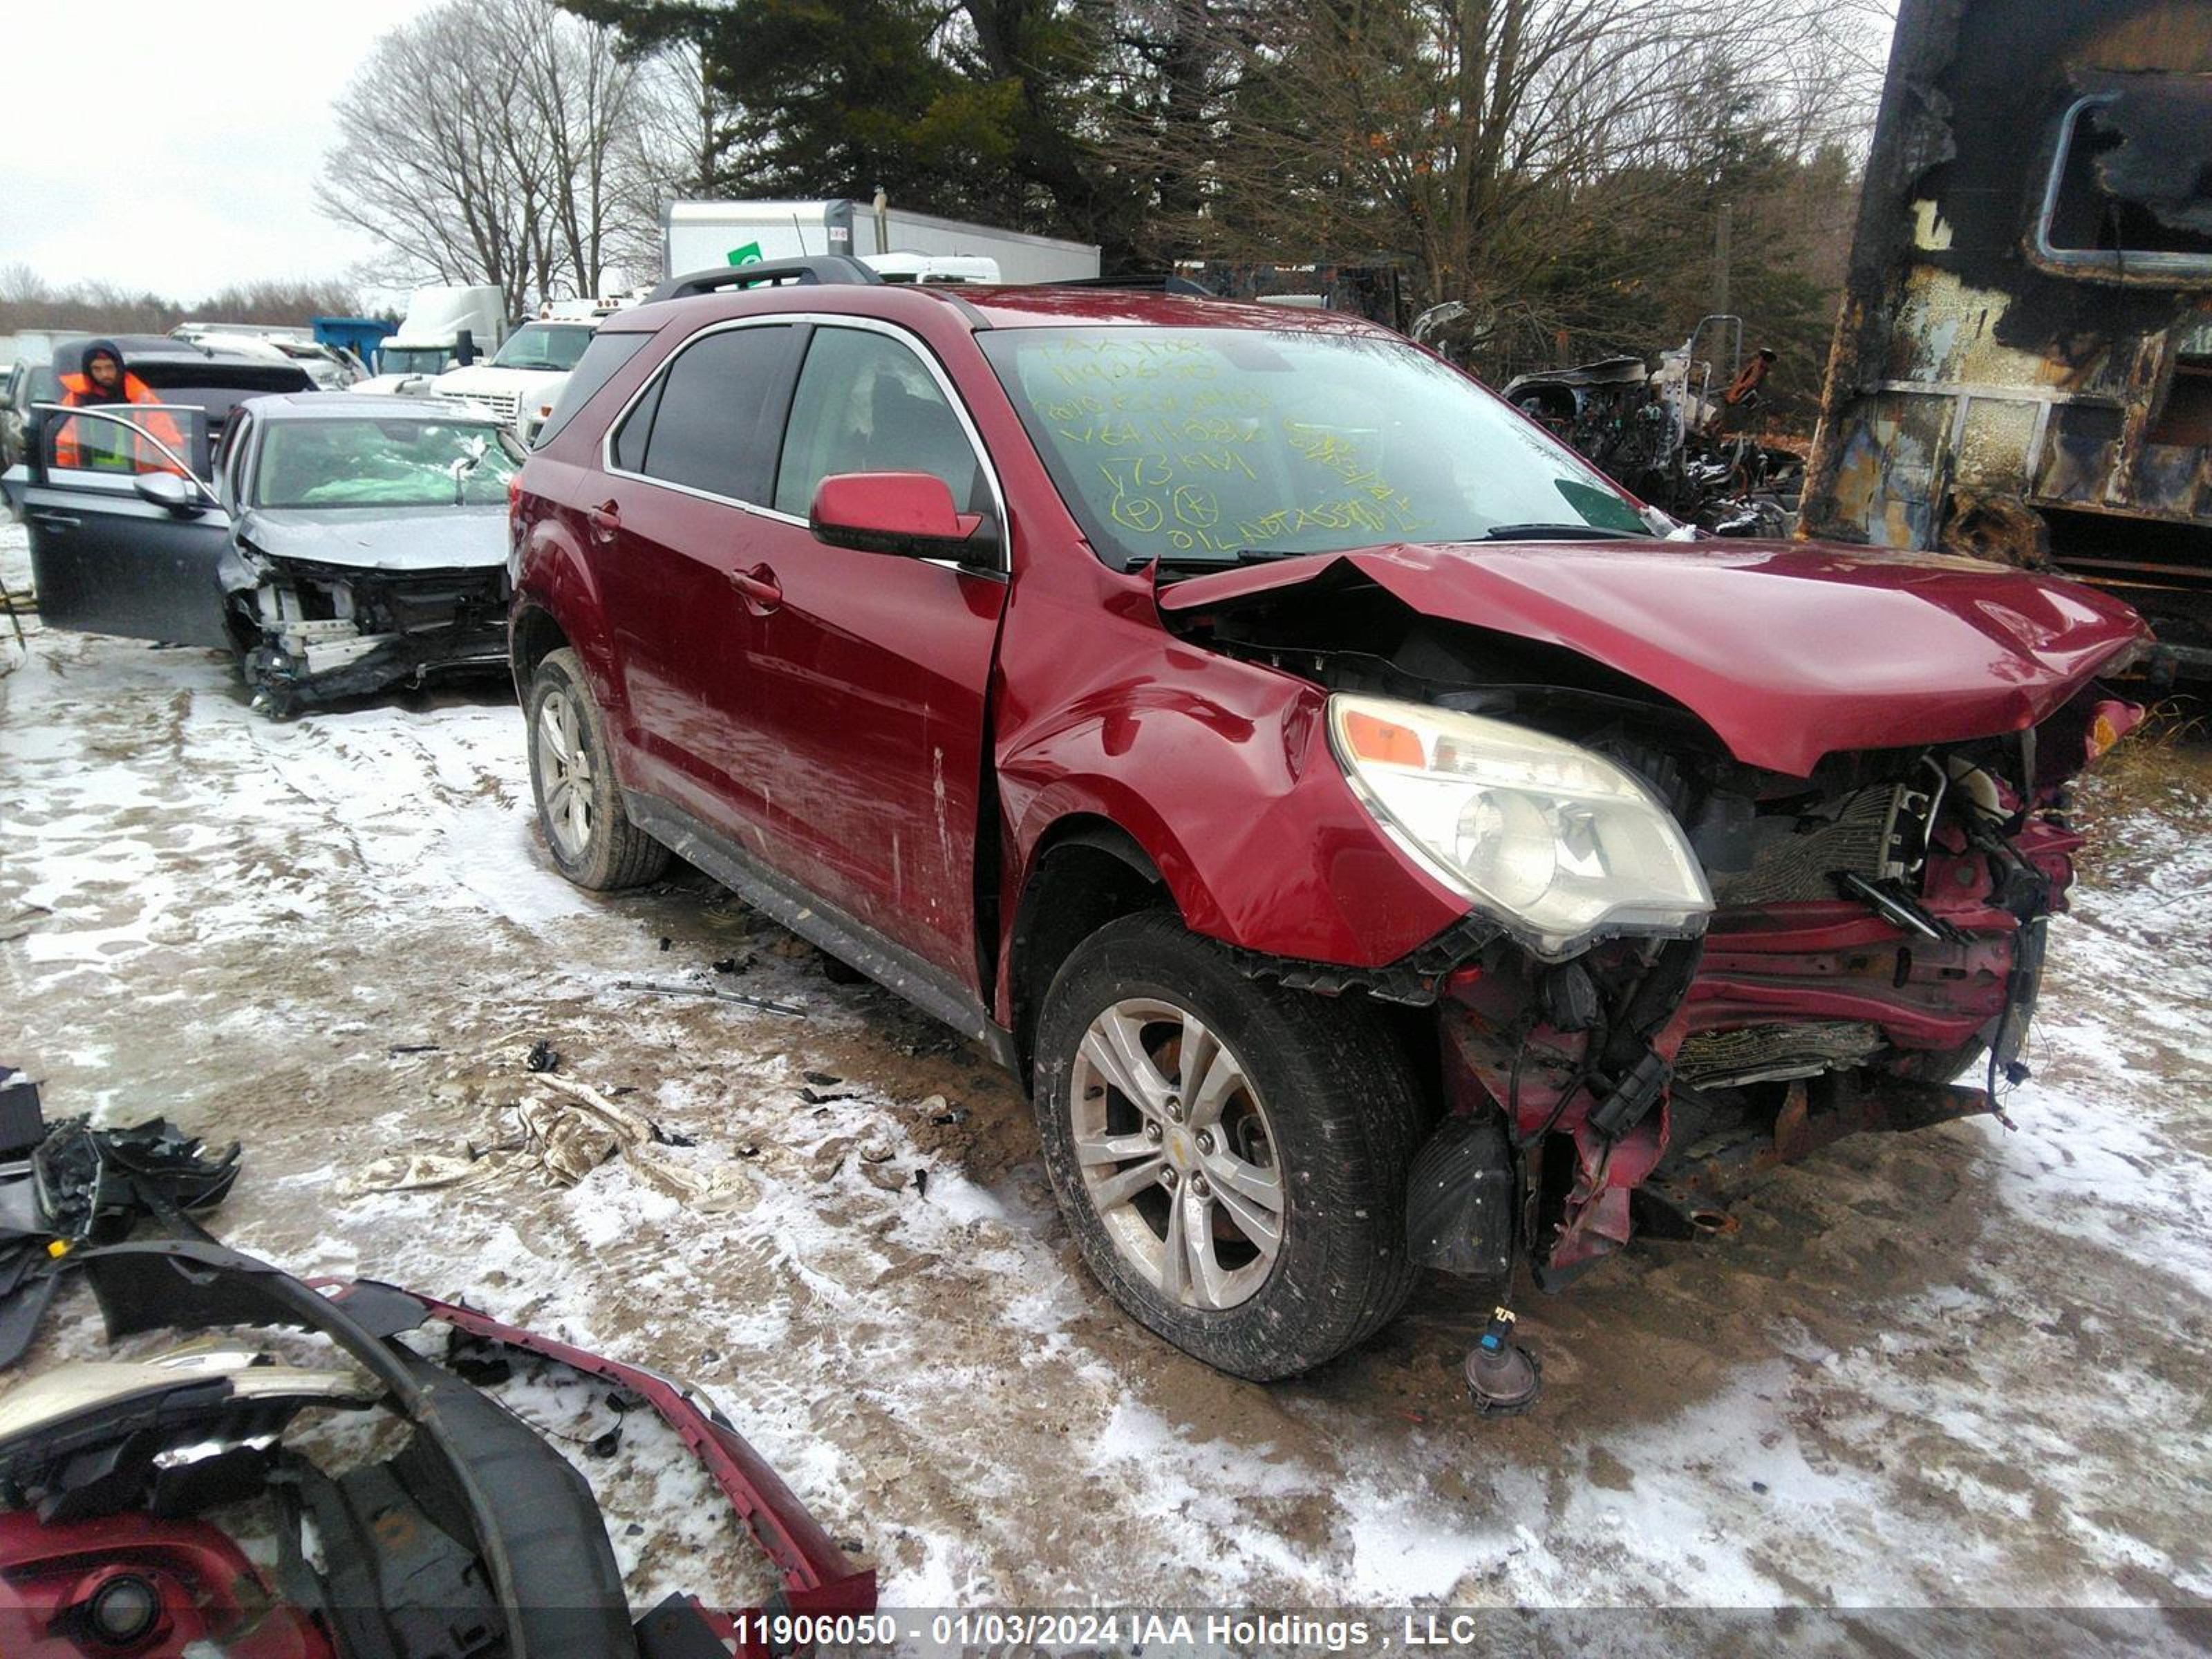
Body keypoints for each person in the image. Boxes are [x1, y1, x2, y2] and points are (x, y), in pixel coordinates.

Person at [54, 340, 185, 473]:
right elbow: (64, 445)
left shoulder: (141, 400)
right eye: (97, 369)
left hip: (138, 482)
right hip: (89, 481)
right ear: (88, 371)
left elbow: (166, 443)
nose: (104, 374)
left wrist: (176, 479)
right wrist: (64, 477)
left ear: (118, 367)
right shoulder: (75, 401)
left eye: (109, 367)